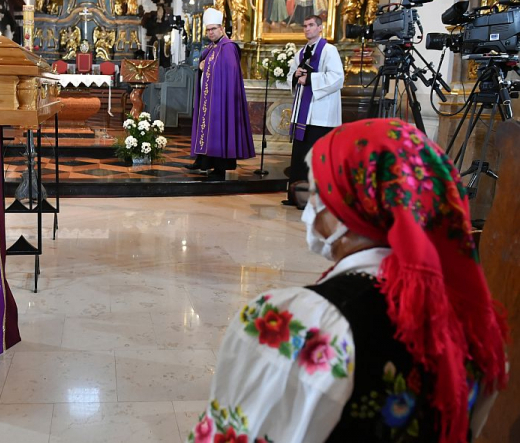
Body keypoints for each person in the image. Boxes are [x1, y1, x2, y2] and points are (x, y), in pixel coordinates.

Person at [186, 118, 508, 443]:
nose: (306, 211)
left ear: (353, 206)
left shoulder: (304, 325)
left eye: (313, 194)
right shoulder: (471, 317)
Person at [187, 8, 255, 179]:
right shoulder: (211, 48)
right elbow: (206, 66)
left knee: (218, 130)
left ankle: (219, 168)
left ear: (222, 29)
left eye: (213, 29)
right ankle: (203, 161)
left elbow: (229, 73)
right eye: (208, 30)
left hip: (221, 99)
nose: (210, 33)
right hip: (208, 98)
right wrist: (201, 68)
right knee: (206, 129)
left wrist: (205, 66)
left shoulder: (228, 48)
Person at [284, 15, 343, 206]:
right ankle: (295, 196)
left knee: (315, 158)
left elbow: (336, 78)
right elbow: (291, 76)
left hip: (320, 115)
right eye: (305, 25)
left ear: (320, 28)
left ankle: (314, 201)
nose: (307, 29)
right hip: (303, 114)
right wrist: (295, 76)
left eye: (311, 25)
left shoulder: (329, 50)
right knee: (300, 156)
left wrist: (309, 79)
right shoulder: (301, 53)